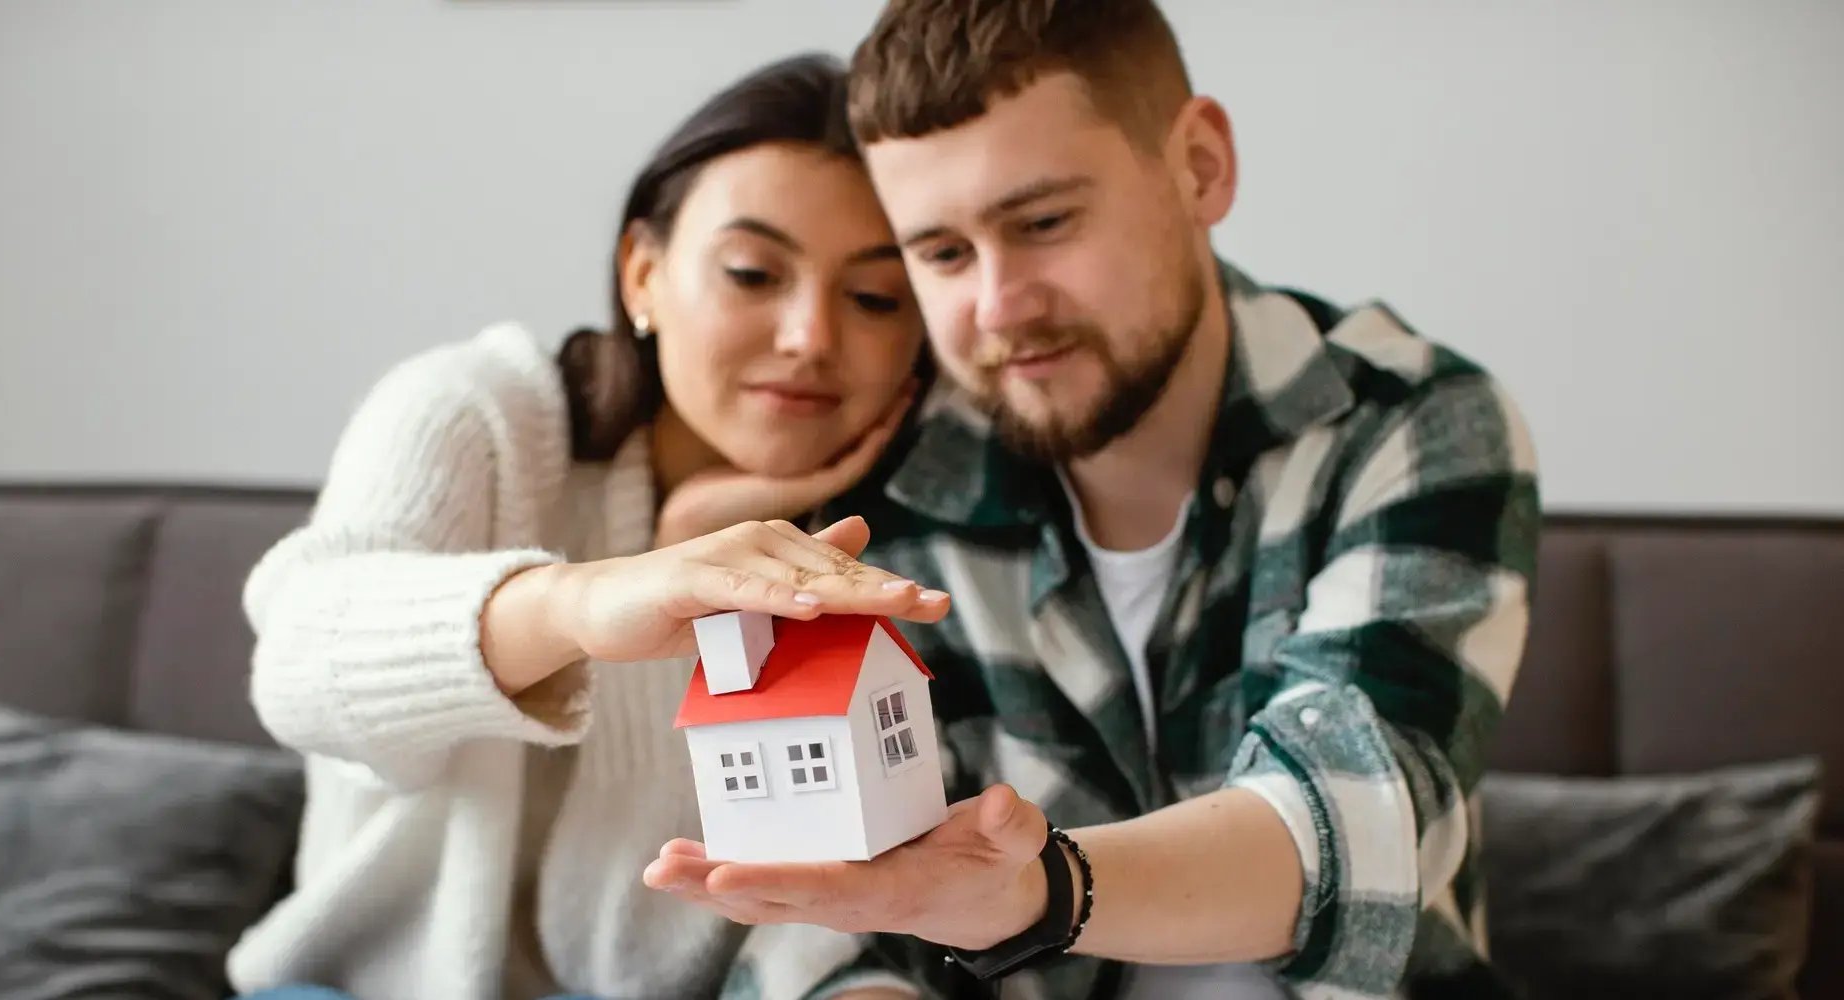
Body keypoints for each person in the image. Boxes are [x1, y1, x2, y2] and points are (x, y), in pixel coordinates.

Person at [644, 3, 1542, 999]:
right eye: (941, 254)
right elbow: (845, 920)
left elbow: (1355, 819)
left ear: (1198, 166)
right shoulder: (896, 482)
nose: (996, 306)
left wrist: (1037, 890)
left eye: (1041, 224)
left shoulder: (1406, 422)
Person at [227, 54, 950, 1000]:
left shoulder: (918, 537)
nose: (810, 335)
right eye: (751, 272)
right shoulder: (478, 414)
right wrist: (589, 596)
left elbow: (858, 892)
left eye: (872, 297)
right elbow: (299, 662)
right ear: (642, 273)